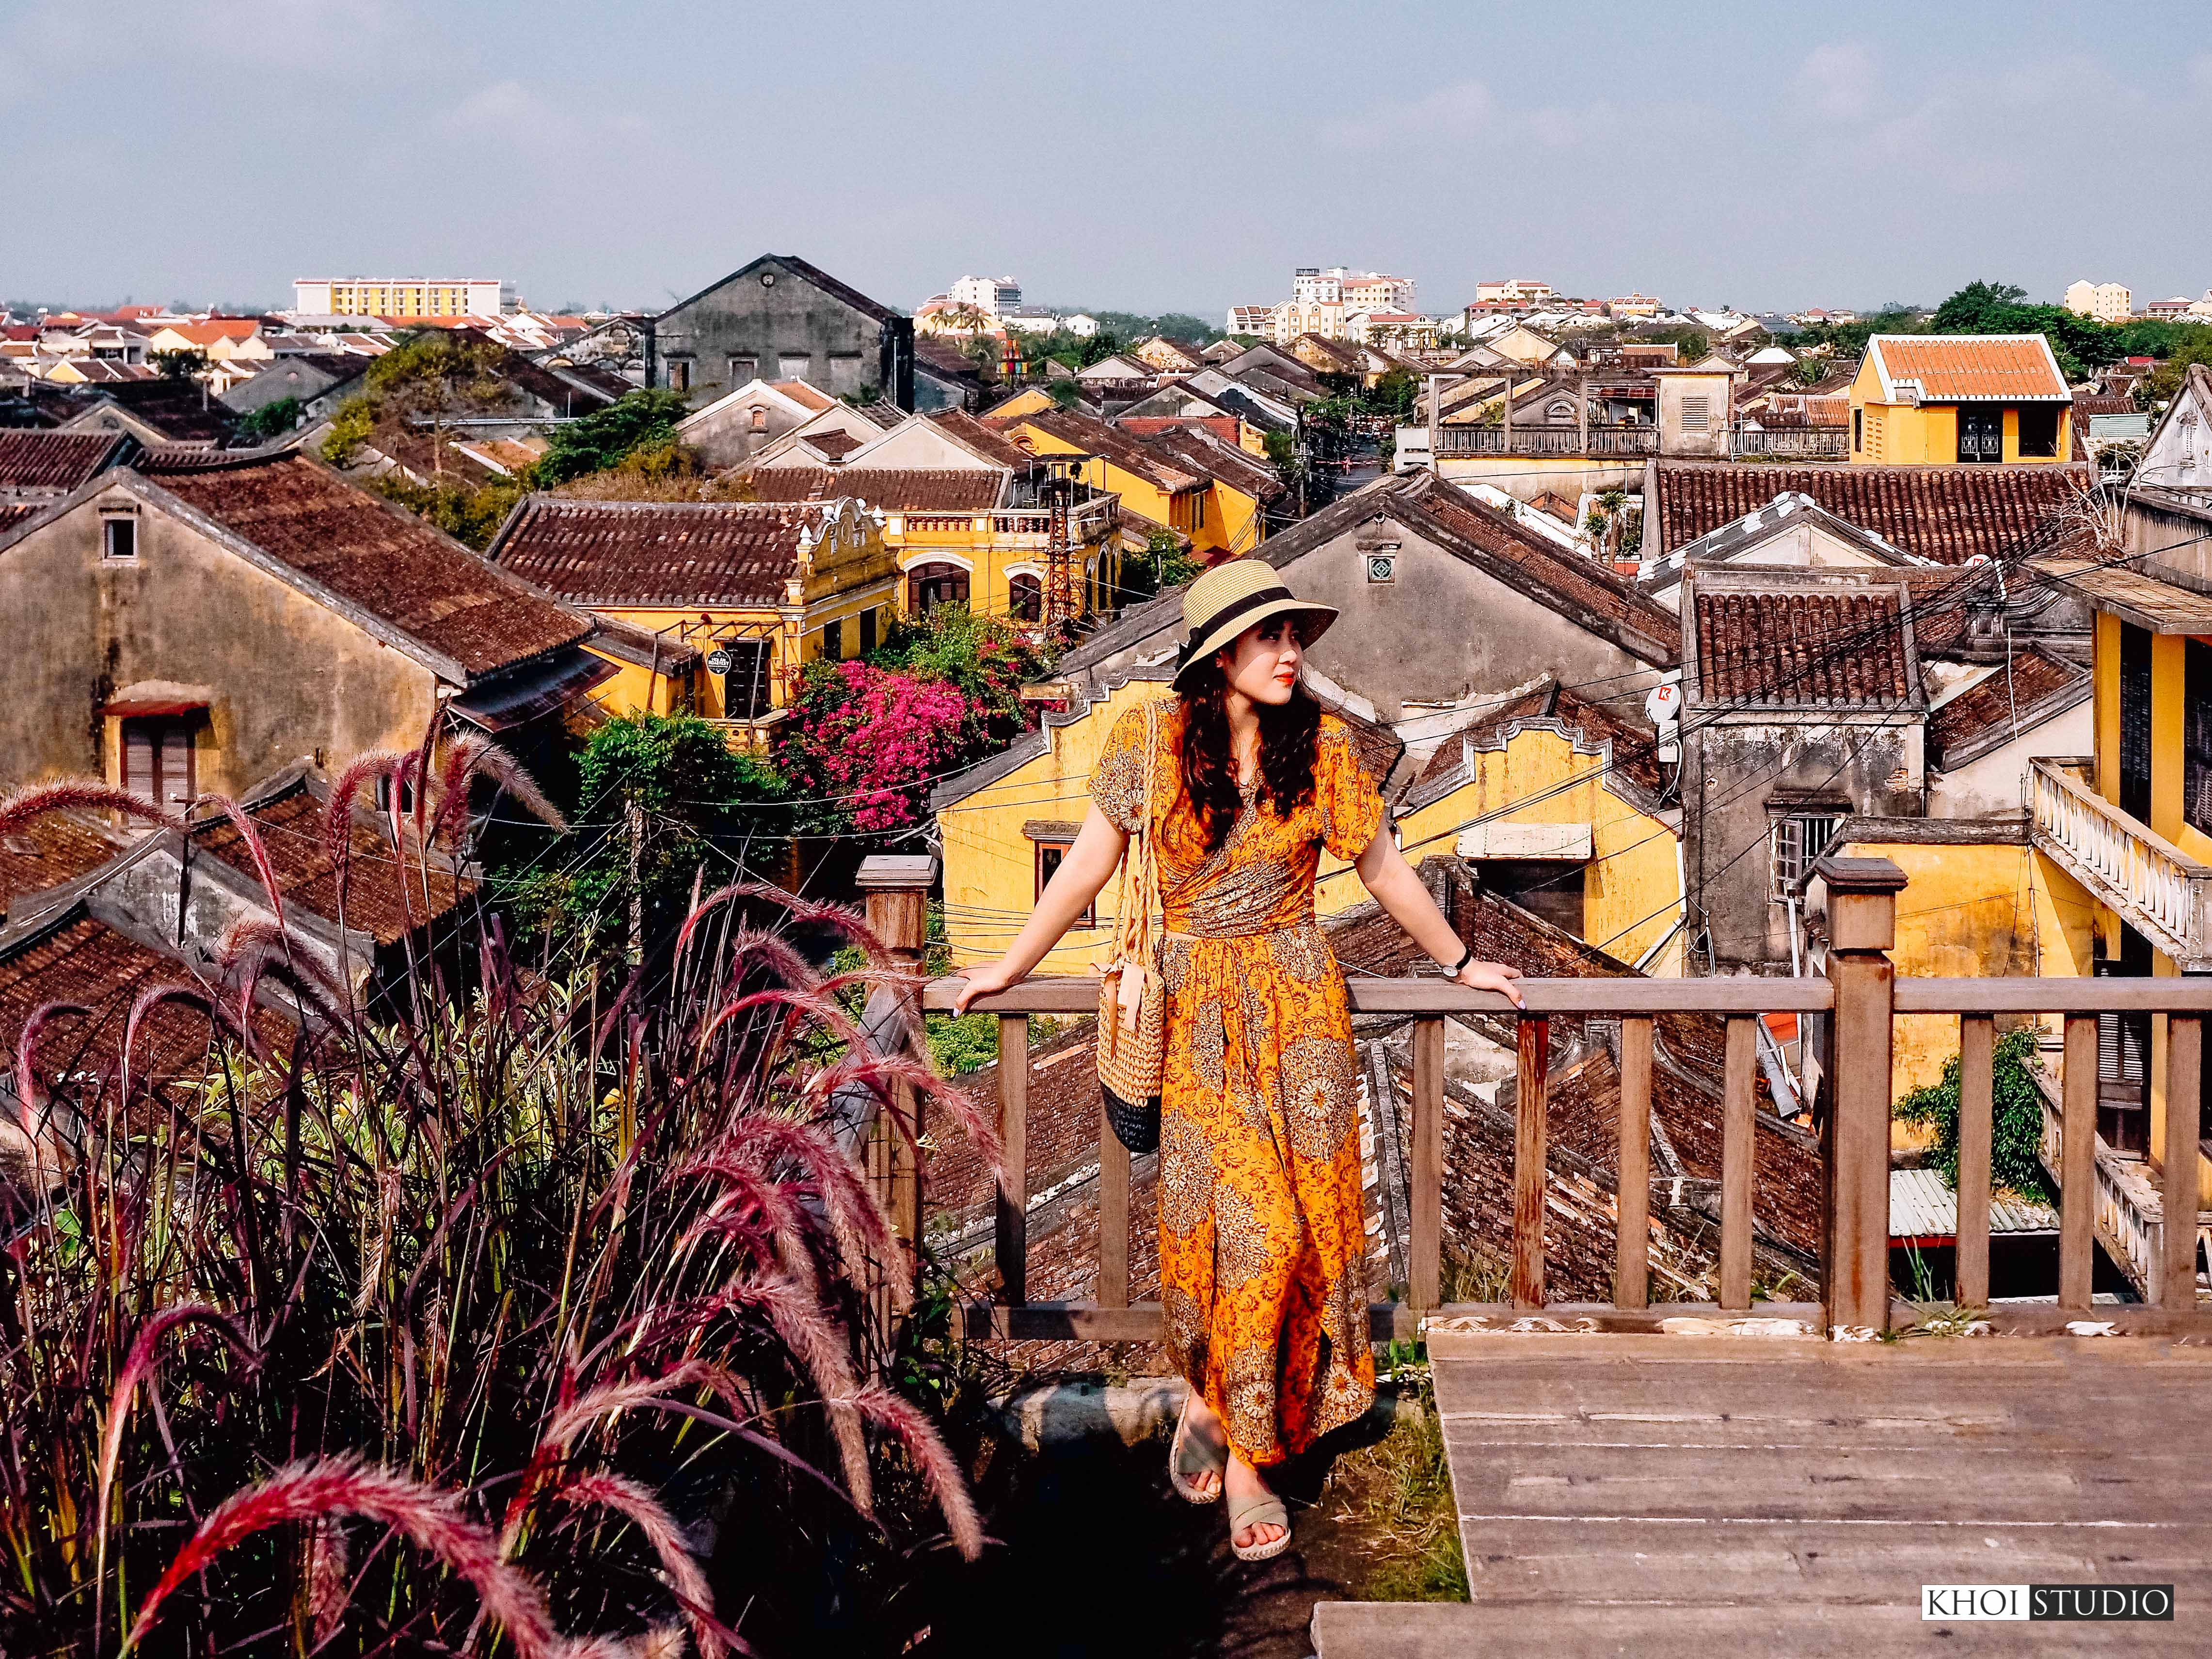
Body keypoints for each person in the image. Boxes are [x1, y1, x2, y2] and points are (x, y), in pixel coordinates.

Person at [955, 559, 1525, 1563]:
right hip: (1194, 1016)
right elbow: (1088, 861)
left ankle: (1213, 1409)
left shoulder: (1326, 748)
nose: (1290, 652)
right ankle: (1250, 1459)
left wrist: (1463, 960)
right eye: (1269, 637)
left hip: (1300, 1004)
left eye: (1295, 635)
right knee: (1244, 1233)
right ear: (1218, 655)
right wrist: (1007, 964)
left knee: (1305, 1229)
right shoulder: (1151, 738)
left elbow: (1382, 867)